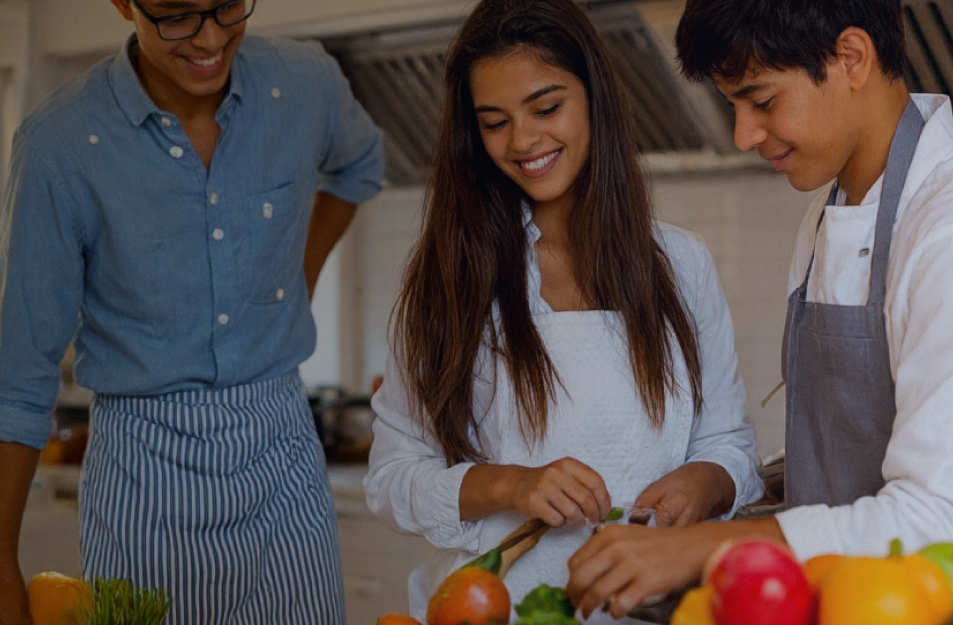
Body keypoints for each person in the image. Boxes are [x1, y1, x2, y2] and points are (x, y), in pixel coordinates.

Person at [567, 1, 953, 622]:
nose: (744, 135)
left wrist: (704, 546)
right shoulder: (830, 216)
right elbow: (849, 456)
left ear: (851, 58)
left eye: (761, 101)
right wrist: (729, 487)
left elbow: (945, 520)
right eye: (733, 106)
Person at [363, 0, 762, 622]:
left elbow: (728, 442)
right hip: (495, 611)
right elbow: (391, 482)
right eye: (494, 122)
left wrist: (705, 482)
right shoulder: (452, 279)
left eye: (546, 108)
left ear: (594, 99)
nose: (523, 141)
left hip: (658, 611)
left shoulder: (680, 264)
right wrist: (511, 484)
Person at [0, 0, 384, 622]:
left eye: (228, 5)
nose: (210, 38)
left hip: (283, 452)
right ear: (125, 4)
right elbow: (18, 380)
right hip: (145, 471)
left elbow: (360, 166)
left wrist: (296, 279)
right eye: (177, 14)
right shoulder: (60, 145)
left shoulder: (304, 83)